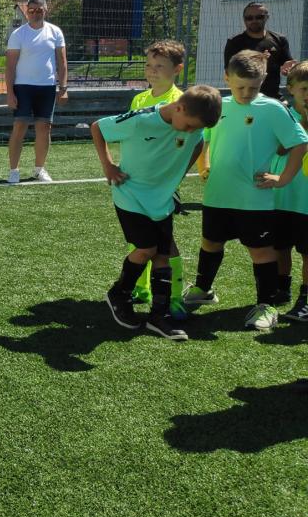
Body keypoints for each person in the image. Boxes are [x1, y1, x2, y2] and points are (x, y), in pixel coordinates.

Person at [182, 50, 308, 332]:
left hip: (254, 198)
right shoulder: (219, 106)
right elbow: (203, 139)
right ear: (226, 78)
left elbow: (300, 143)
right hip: (218, 194)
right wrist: (201, 166)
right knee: (210, 242)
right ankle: (203, 289)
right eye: (240, 86)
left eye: (253, 87)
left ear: (263, 79)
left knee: (261, 251)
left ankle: (267, 305)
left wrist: (283, 178)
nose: (246, 93)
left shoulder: (272, 109)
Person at [92, 84, 222, 340]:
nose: (191, 131)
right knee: (146, 250)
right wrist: (108, 165)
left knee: (163, 256)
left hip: (161, 200)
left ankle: (158, 316)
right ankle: (119, 294)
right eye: (189, 126)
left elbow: (197, 144)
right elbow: (98, 127)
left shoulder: (194, 127)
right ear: (179, 108)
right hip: (130, 195)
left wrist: (177, 177)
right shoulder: (142, 120)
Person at [125, 41, 190, 316]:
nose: (152, 71)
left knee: (165, 244)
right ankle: (141, 288)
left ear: (177, 69)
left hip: (161, 186)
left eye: (159, 66)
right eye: (148, 65)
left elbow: (191, 144)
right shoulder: (139, 100)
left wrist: (174, 178)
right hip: (136, 183)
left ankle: (174, 297)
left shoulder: (181, 102)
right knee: (138, 240)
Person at [5, 0, 67, 184]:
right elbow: (10, 66)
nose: (35, 13)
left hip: (47, 87)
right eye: (31, 10)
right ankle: (14, 171)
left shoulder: (55, 32)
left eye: (39, 10)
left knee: (44, 128)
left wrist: (63, 88)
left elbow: (62, 62)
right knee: (19, 127)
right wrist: (10, 93)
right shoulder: (18, 34)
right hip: (22, 87)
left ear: (46, 10)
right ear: (27, 11)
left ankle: (39, 170)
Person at [273, 61, 308, 320]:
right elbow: (278, 147)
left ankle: (305, 299)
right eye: (304, 88)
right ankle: (280, 288)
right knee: (279, 246)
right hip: (281, 196)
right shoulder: (283, 115)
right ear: (291, 88)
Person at [223, 1, 294, 100]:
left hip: (273, 97)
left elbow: (288, 65)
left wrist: (290, 69)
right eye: (249, 18)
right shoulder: (234, 42)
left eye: (259, 17)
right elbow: (230, 72)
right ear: (244, 19)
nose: (254, 20)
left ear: (266, 17)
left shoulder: (279, 39)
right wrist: (259, 59)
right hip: (245, 98)